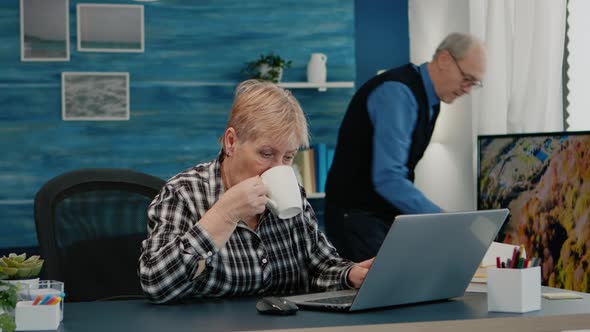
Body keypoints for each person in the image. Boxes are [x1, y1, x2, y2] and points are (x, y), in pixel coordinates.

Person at [139, 79, 374, 303]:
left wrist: (351, 274)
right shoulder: (183, 193)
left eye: (288, 157)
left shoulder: (293, 195)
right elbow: (156, 284)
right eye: (266, 154)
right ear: (231, 142)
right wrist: (224, 215)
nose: (278, 168)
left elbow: (320, 265)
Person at [324, 33, 487, 262]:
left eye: (474, 83)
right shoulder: (398, 93)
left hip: (378, 215)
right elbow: (389, 177)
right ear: (444, 60)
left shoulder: (431, 100)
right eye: (466, 78)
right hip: (356, 216)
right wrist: (441, 219)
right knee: (390, 292)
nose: (468, 89)